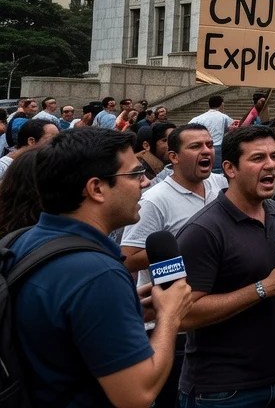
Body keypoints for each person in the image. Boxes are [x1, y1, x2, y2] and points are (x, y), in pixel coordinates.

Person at [5, 127, 194, 408]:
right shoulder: (97, 274)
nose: (144, 183)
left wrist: (127, 312)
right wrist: (170, 315)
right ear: (96, 188)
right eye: (133, 174)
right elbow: (137, 395)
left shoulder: (21, 240)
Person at [177, 123, 275, 406]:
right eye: (258, 158)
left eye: (274, 156)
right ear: (230, 169)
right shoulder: (204, 231)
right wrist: (263, 288)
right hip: (223, 390)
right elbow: (183, 315)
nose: (270, 165)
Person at [118, 123, 226, 408]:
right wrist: (187, 246)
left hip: (211, 316)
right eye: (195, 146)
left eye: (208, 145)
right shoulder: (154, 200)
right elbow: (127, 256)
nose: (205, 151)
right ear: (173, 157)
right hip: (167, 328)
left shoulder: (222, 185)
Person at [189, 95, 235, 165]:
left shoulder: (198, 118)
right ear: (222, 104)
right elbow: (233, 126)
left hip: (201, 147)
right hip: (218, 148)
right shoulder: (224, 118)